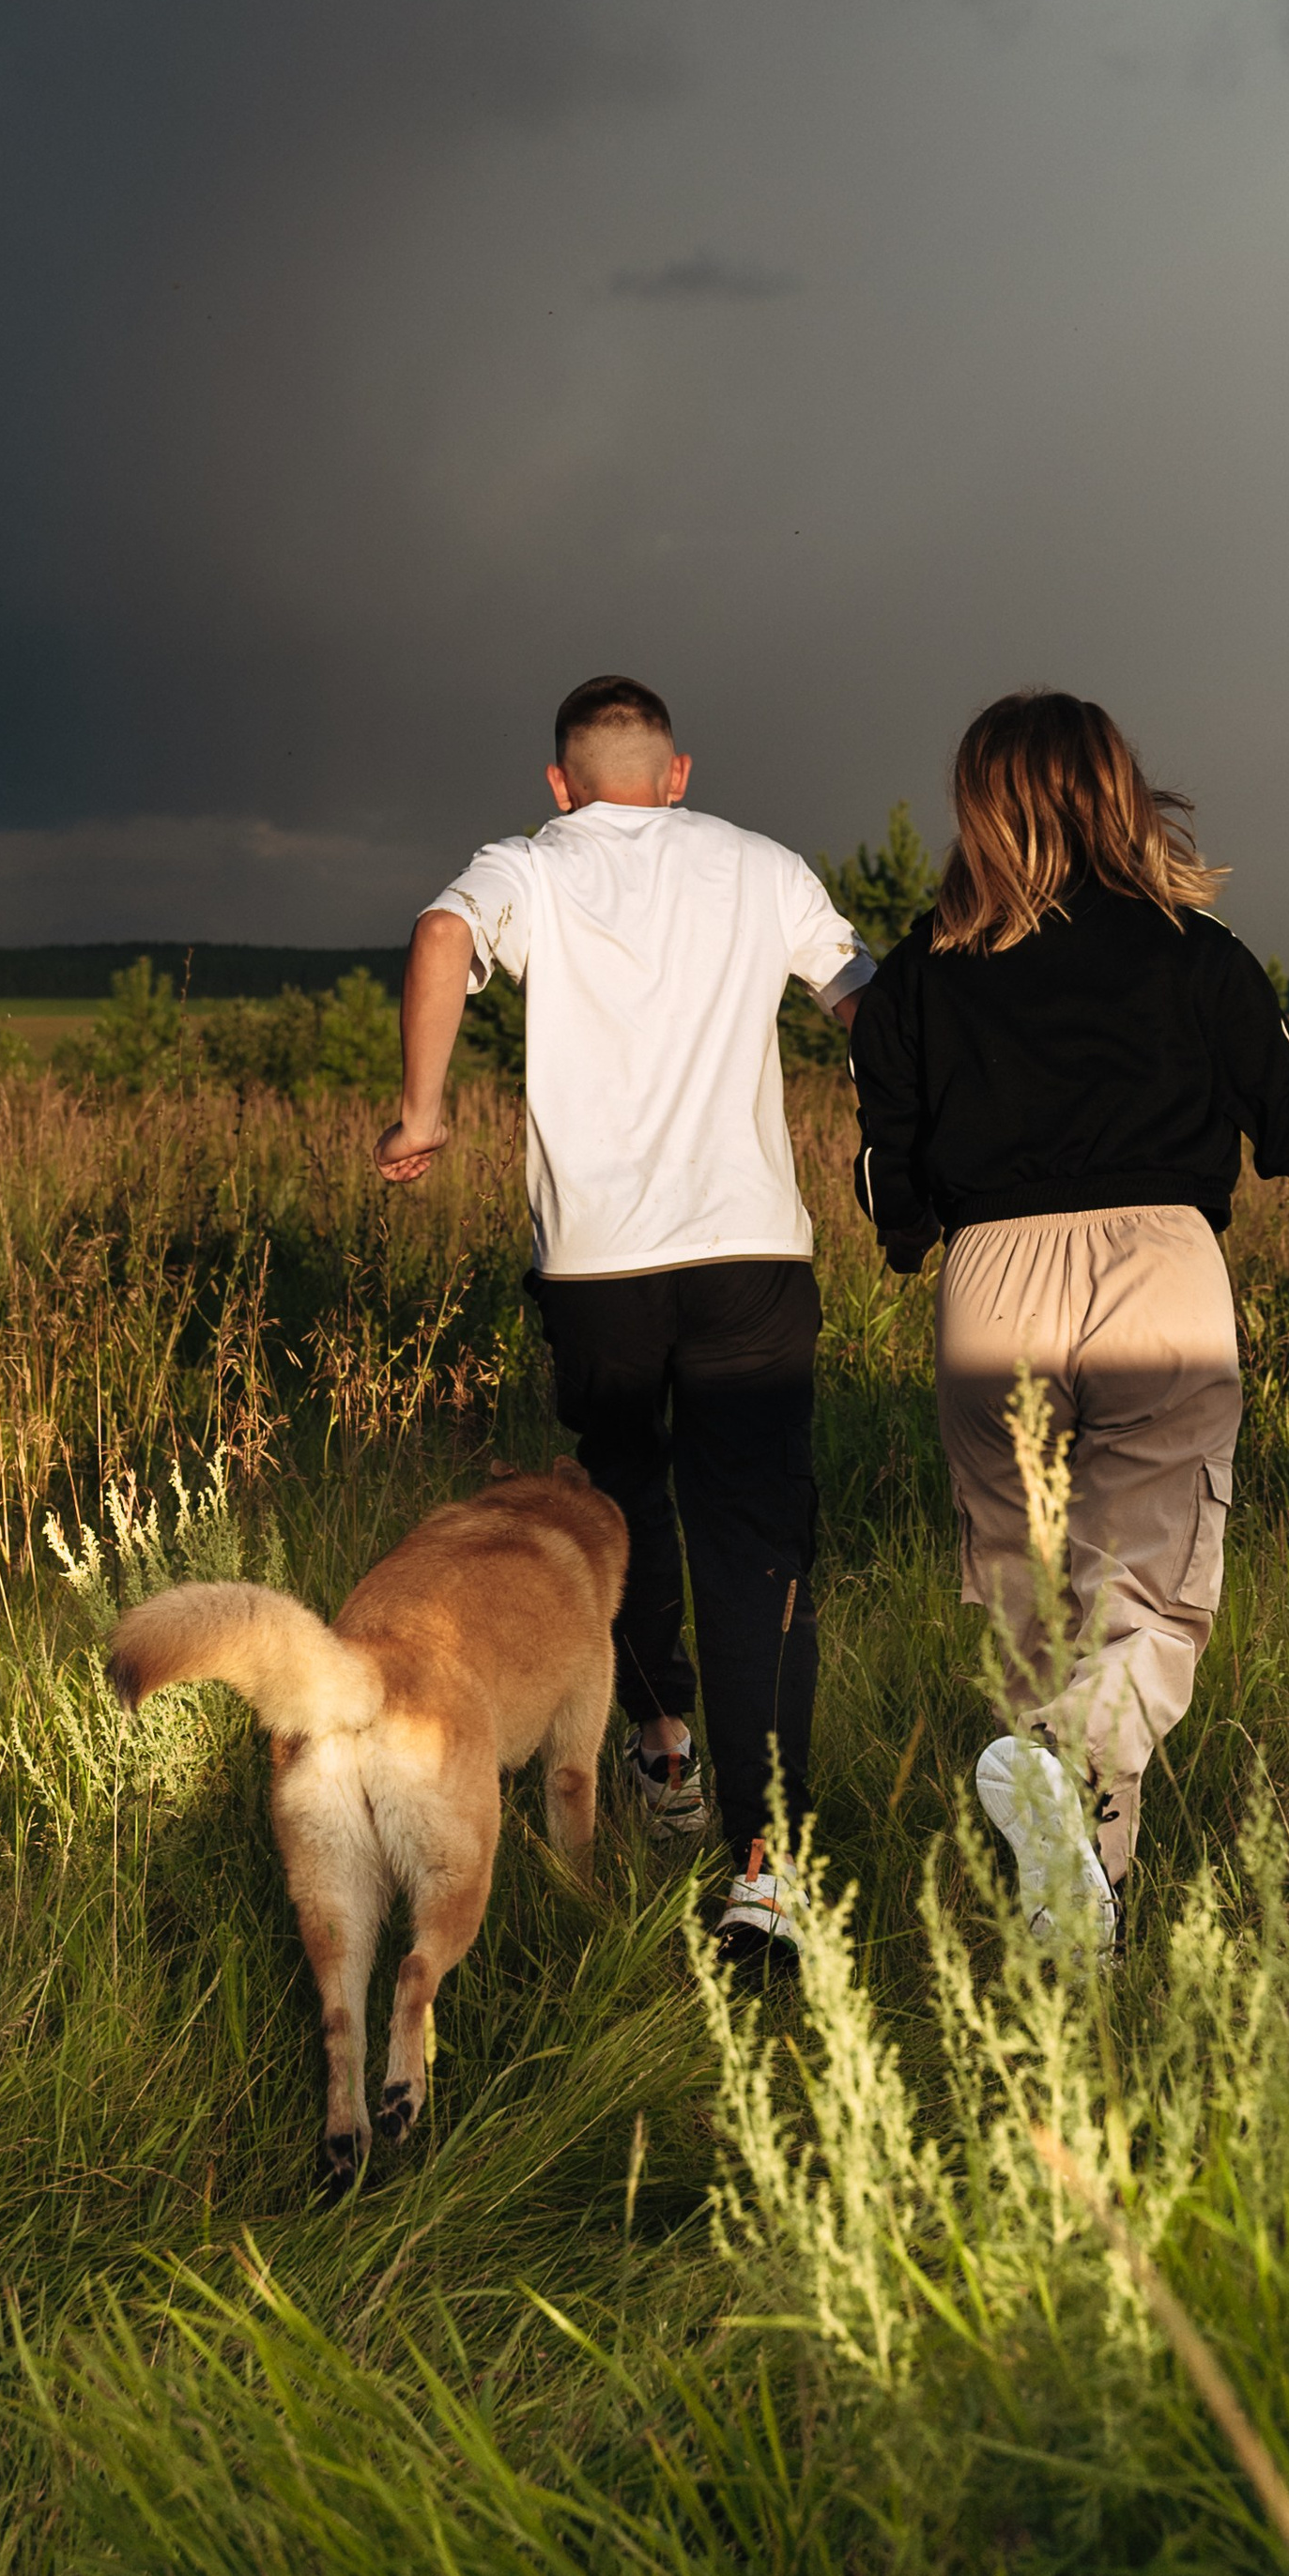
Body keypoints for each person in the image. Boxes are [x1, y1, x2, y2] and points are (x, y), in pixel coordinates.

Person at [848, 686, 1289, 1946]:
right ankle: (1065, 1775)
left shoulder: (923, 970)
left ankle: (1076, 1920)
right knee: (1144, 1601)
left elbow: (890, 1161)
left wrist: (909, 1235)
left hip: (992, 1285)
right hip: (1160, 1273)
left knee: (1036, 1608)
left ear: (978, 808)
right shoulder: (1197, 956)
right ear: (1118, 792)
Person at [377, 673, 875, 1961]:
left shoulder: (529, 867)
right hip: (752, 1246)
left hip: (599, 1263)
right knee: (757, 1537)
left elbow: (440, 939)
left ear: (561, 783)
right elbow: (862, 997)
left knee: (619, 1498)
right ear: (677, 772)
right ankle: (766, 1868)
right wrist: (905, 1131)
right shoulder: (764, 866)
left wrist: (426, 1110)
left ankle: (661, 1748)